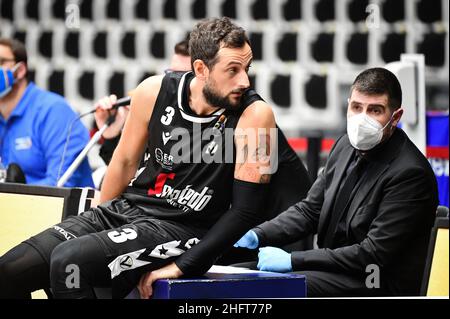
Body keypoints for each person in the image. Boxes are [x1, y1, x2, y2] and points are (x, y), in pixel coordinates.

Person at [0, 17, 311, 299]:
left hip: (184, 226)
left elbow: (246, 211)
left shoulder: (256, 114)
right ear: (200, 69)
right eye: (232, 70)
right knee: (9, 271)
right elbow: (122, 162)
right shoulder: (152, 90)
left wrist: (182, 267)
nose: (244, 81)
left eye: (247, 68)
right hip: (127, 210)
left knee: (70, 260)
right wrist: (97, 220)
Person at [234, 67, 439, 297]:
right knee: (232, 277)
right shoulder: (344, 146)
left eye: (375, 110)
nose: (363, 118)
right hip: (336, 269)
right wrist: (258, 234)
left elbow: (372, 254)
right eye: (357, 107)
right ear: (348, 105)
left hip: (376, 280)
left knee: (266, 288)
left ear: (395, 117)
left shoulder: (410, 173)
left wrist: (292, 260)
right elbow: (310, 211)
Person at [0, 38, 93, 187]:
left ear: (20, 70)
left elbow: (61, 184)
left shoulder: (54, 111)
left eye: (1, 61)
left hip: (60, 208)